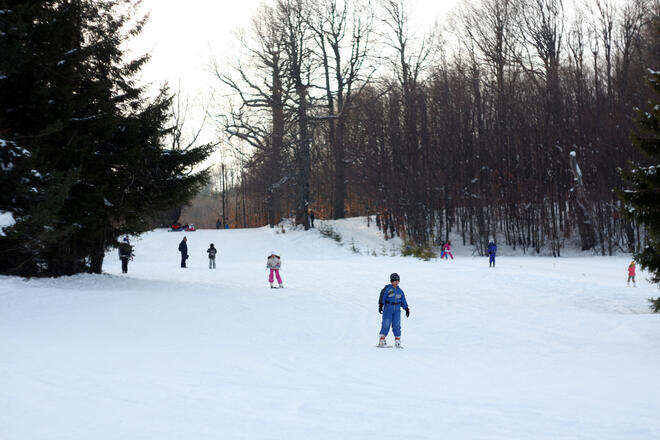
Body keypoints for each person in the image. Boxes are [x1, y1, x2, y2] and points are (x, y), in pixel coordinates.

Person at [378, 273, 410, 348]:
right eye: (394, 280)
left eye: (397, 281)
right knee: (386, 324)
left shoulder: (400, 291)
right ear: (391, 281)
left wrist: (406, 308)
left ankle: (397, 341)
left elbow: (403, 300)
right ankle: (382, 340)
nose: (396, 282)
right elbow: (382, 297)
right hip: (388, 309)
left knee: (397, 325)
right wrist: (380, 305)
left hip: (397, 311)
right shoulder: (387, 289)